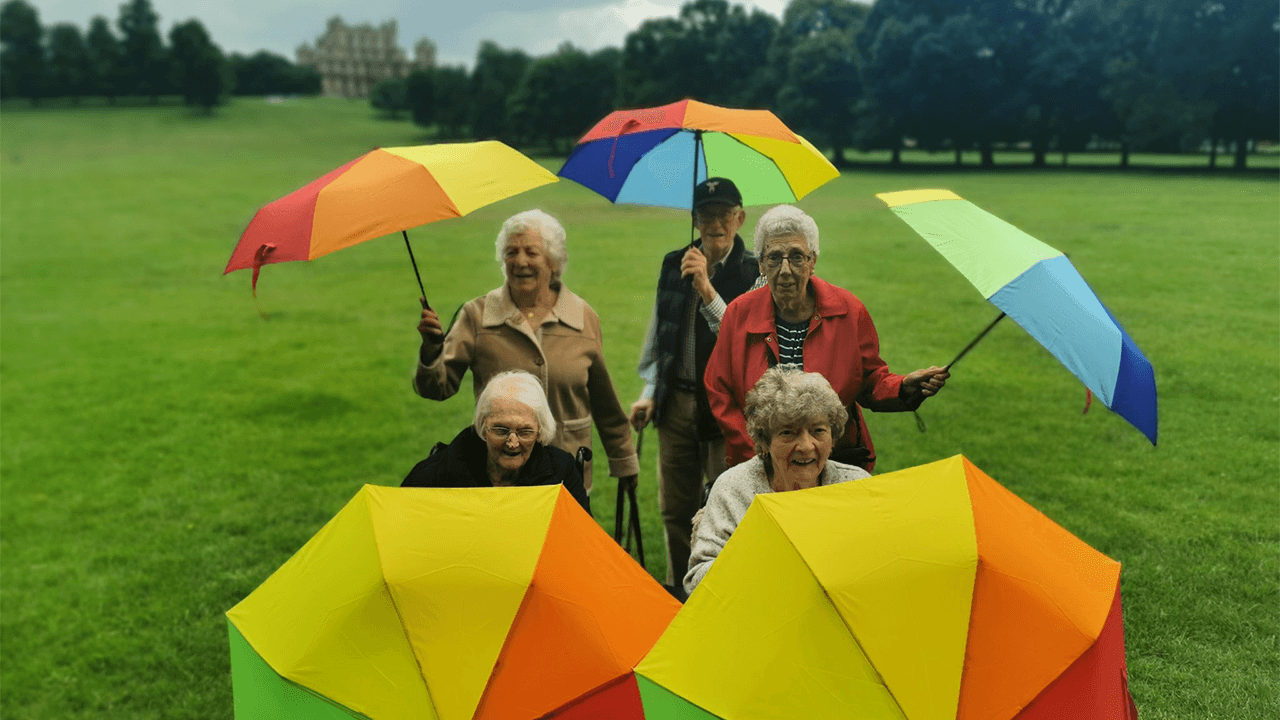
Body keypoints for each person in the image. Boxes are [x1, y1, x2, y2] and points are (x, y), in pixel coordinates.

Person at [705, 204, 949, 473]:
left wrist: (902, 387)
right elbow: (720, 391)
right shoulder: (739, 313)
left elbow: (870, 380)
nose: (785, 269)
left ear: (813, 261)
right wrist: (761, 451)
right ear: (761, 263)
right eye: (774, 257)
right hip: (761, 464)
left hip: (835, 459)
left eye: (797, 256)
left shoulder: (848, 310)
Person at [414, 209, 639, 493]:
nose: (520, 262)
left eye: (531, 252)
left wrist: (625, 462)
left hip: (567, 472)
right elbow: (437, 388)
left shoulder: (583, 316)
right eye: (511, 252)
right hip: (499, 473)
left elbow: (604, 401)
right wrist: (432, 348)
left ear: (553, 261)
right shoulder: (478, 315)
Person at [627, 177, 761, 592]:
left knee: (728, 509)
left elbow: (739, 344)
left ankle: (727, 590)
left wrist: (706, 287)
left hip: (725, 413)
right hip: (674, 405)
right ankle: (678, 592)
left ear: (740, 218)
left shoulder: (753, 272)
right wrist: (650, 393)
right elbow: (660, 335)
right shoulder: (675, 263)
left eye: (724, 214)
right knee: (675, 508)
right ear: (694, 219)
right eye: (705, 214)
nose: (715, 222)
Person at [685, 367, 869, 593]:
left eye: (818, 431)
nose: (806, 446)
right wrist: (764, 556)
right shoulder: (733, 489)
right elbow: (696, 581)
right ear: (764, 441)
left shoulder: (855, 485)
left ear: (832, 436)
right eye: (788, 433)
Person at [402, 371, 591, 513]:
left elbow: (583, 538)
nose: (512, 443)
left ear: (540, 430)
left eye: (525, 432)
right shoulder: (440, 471)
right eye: (501, 430)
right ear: (483, 427)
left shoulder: (561, 472)